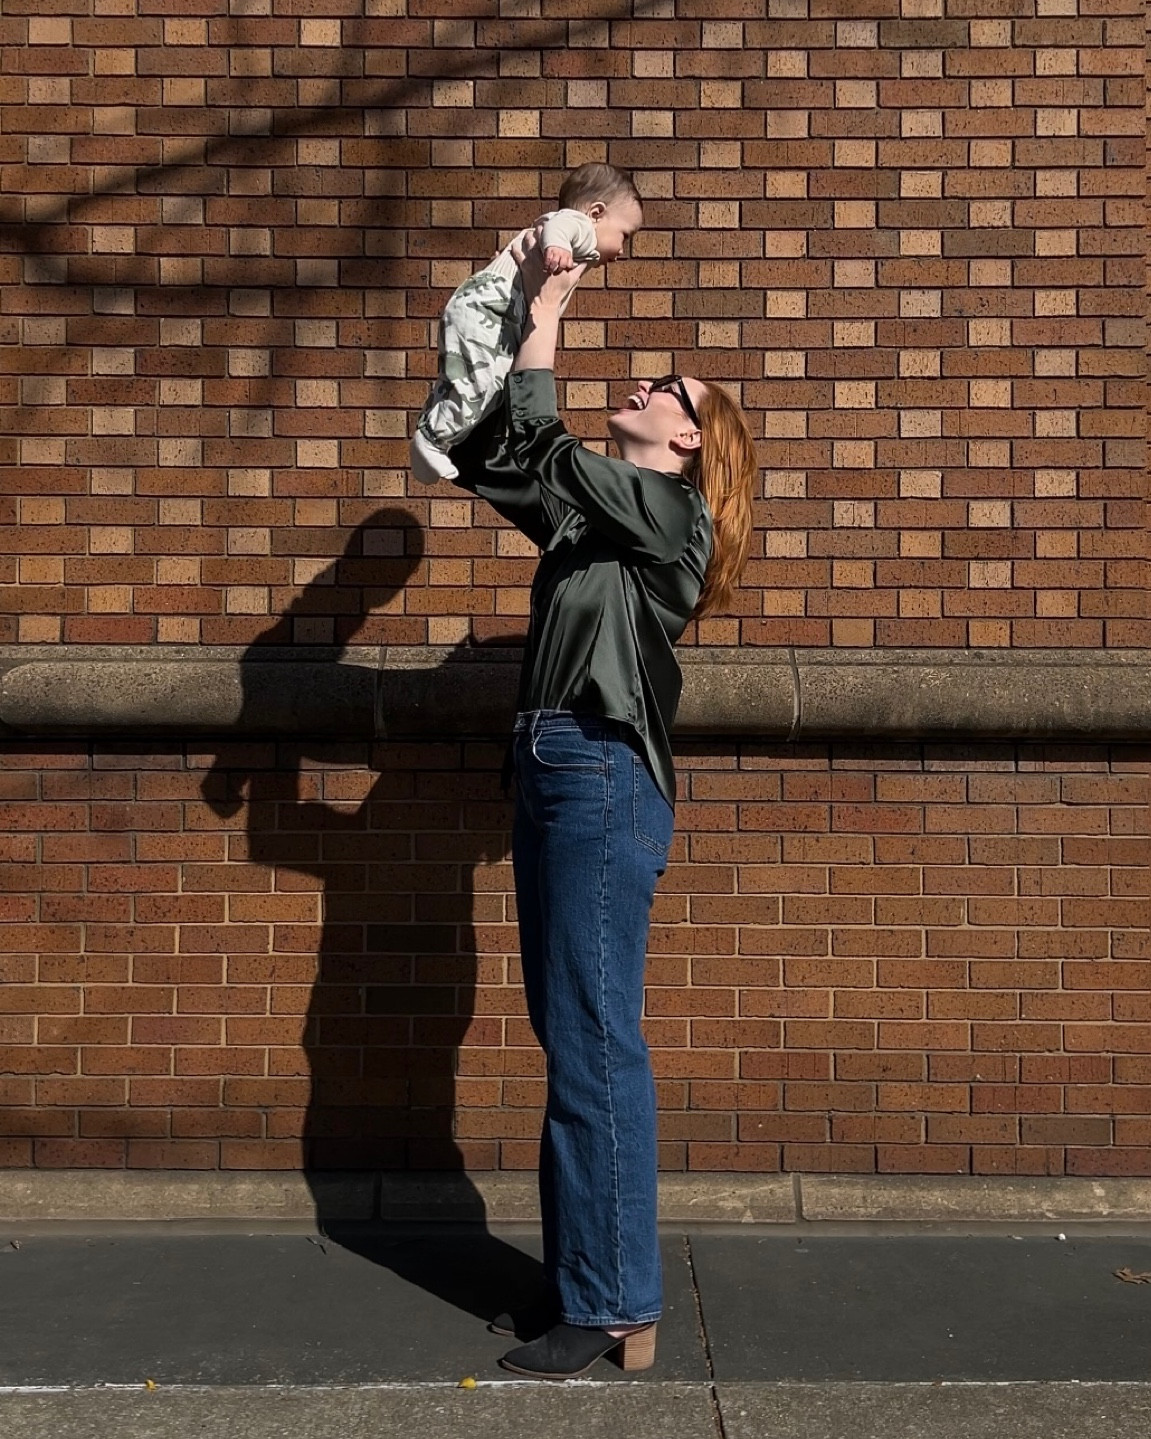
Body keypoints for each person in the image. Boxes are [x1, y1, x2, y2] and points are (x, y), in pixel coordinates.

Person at [447, 233, 757, 1381]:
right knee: (569, 1034)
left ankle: (614, 1300)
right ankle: (590, 1277)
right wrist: (538, 301)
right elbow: (505, 454)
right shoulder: (602, 521)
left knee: (592, 1037)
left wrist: (550, 312)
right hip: (552, 767)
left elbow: (548, 448)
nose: (645, 384)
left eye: (667, 388)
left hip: (595, 769)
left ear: (690, 439)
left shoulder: (674, 519)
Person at [410, 163, 644, 486]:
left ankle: (435, 434)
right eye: (625, 235)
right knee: (482, 383)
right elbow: (557, 227)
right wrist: (557, 246)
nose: (621, 251)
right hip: (488, 310)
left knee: (481, 385)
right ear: (596, 212)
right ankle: (433, 439)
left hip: (490, 313)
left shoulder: (580, 241)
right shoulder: (576, 225)